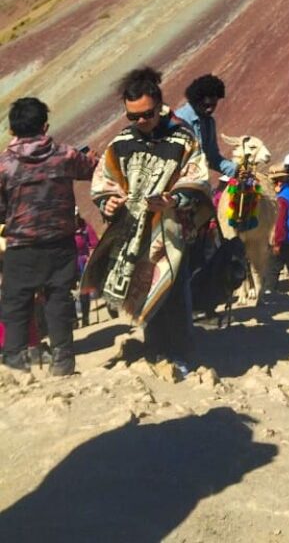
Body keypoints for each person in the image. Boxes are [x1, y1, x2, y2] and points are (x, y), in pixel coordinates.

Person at [90, 67, 211, 373]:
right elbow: (104, 182)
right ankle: (155, 351)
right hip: (135, 233)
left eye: (146, 114)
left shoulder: (184, 140)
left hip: (172, 231)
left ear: (159, 106)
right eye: (133, 117)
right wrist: (109, 202)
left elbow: (197, 179)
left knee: (174, 293)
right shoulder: (119, 144)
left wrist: (175, 199)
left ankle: (182, 354)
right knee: (143, 292)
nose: (141, 122)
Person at [0, 97, 97, 375]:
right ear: (45, 126)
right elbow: (93, 170)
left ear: (12, 130)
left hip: (22, 246)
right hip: (61, 243)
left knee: (16, 301)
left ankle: (15, 363)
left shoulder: (4, 164)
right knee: (59, 299)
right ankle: (63, 362)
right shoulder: (65, 155)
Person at [173, 74, 237, 178]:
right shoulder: (179, 120)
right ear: (195, 100)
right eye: (206, 105)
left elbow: (213, 158)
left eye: (213, 105)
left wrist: (238, 171)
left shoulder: (209, 123)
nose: (210, 109)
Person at [263, 160, 289, 300]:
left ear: (278, 182)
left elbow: (280, 223)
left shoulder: (281, 199)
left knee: (273, 266)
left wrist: (277, 242)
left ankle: (269, 292)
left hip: (285, 238)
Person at [73, 210, 98, 327]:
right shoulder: (64, 228)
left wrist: (90, 258)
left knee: (84, 290)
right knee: (68, 292)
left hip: (82, 261)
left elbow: (93, 244)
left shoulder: (86, 227)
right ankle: (73, 320)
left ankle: (85, 318)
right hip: (68, 262)